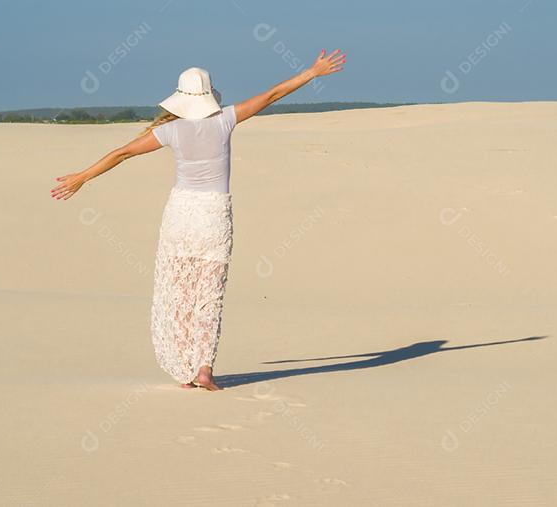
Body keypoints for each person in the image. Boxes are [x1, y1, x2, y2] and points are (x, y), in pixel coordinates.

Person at [51, 49, 347, 389]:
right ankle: (204, 367)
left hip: (180, 215)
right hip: (214, 216)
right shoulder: (225, 120)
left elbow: (122, 153)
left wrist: (82, 177)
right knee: (210, 294)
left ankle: (185, 370)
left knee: (180, 294)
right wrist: (312, 72)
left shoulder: (171, 131)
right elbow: (272, 95)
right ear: (208, 95)